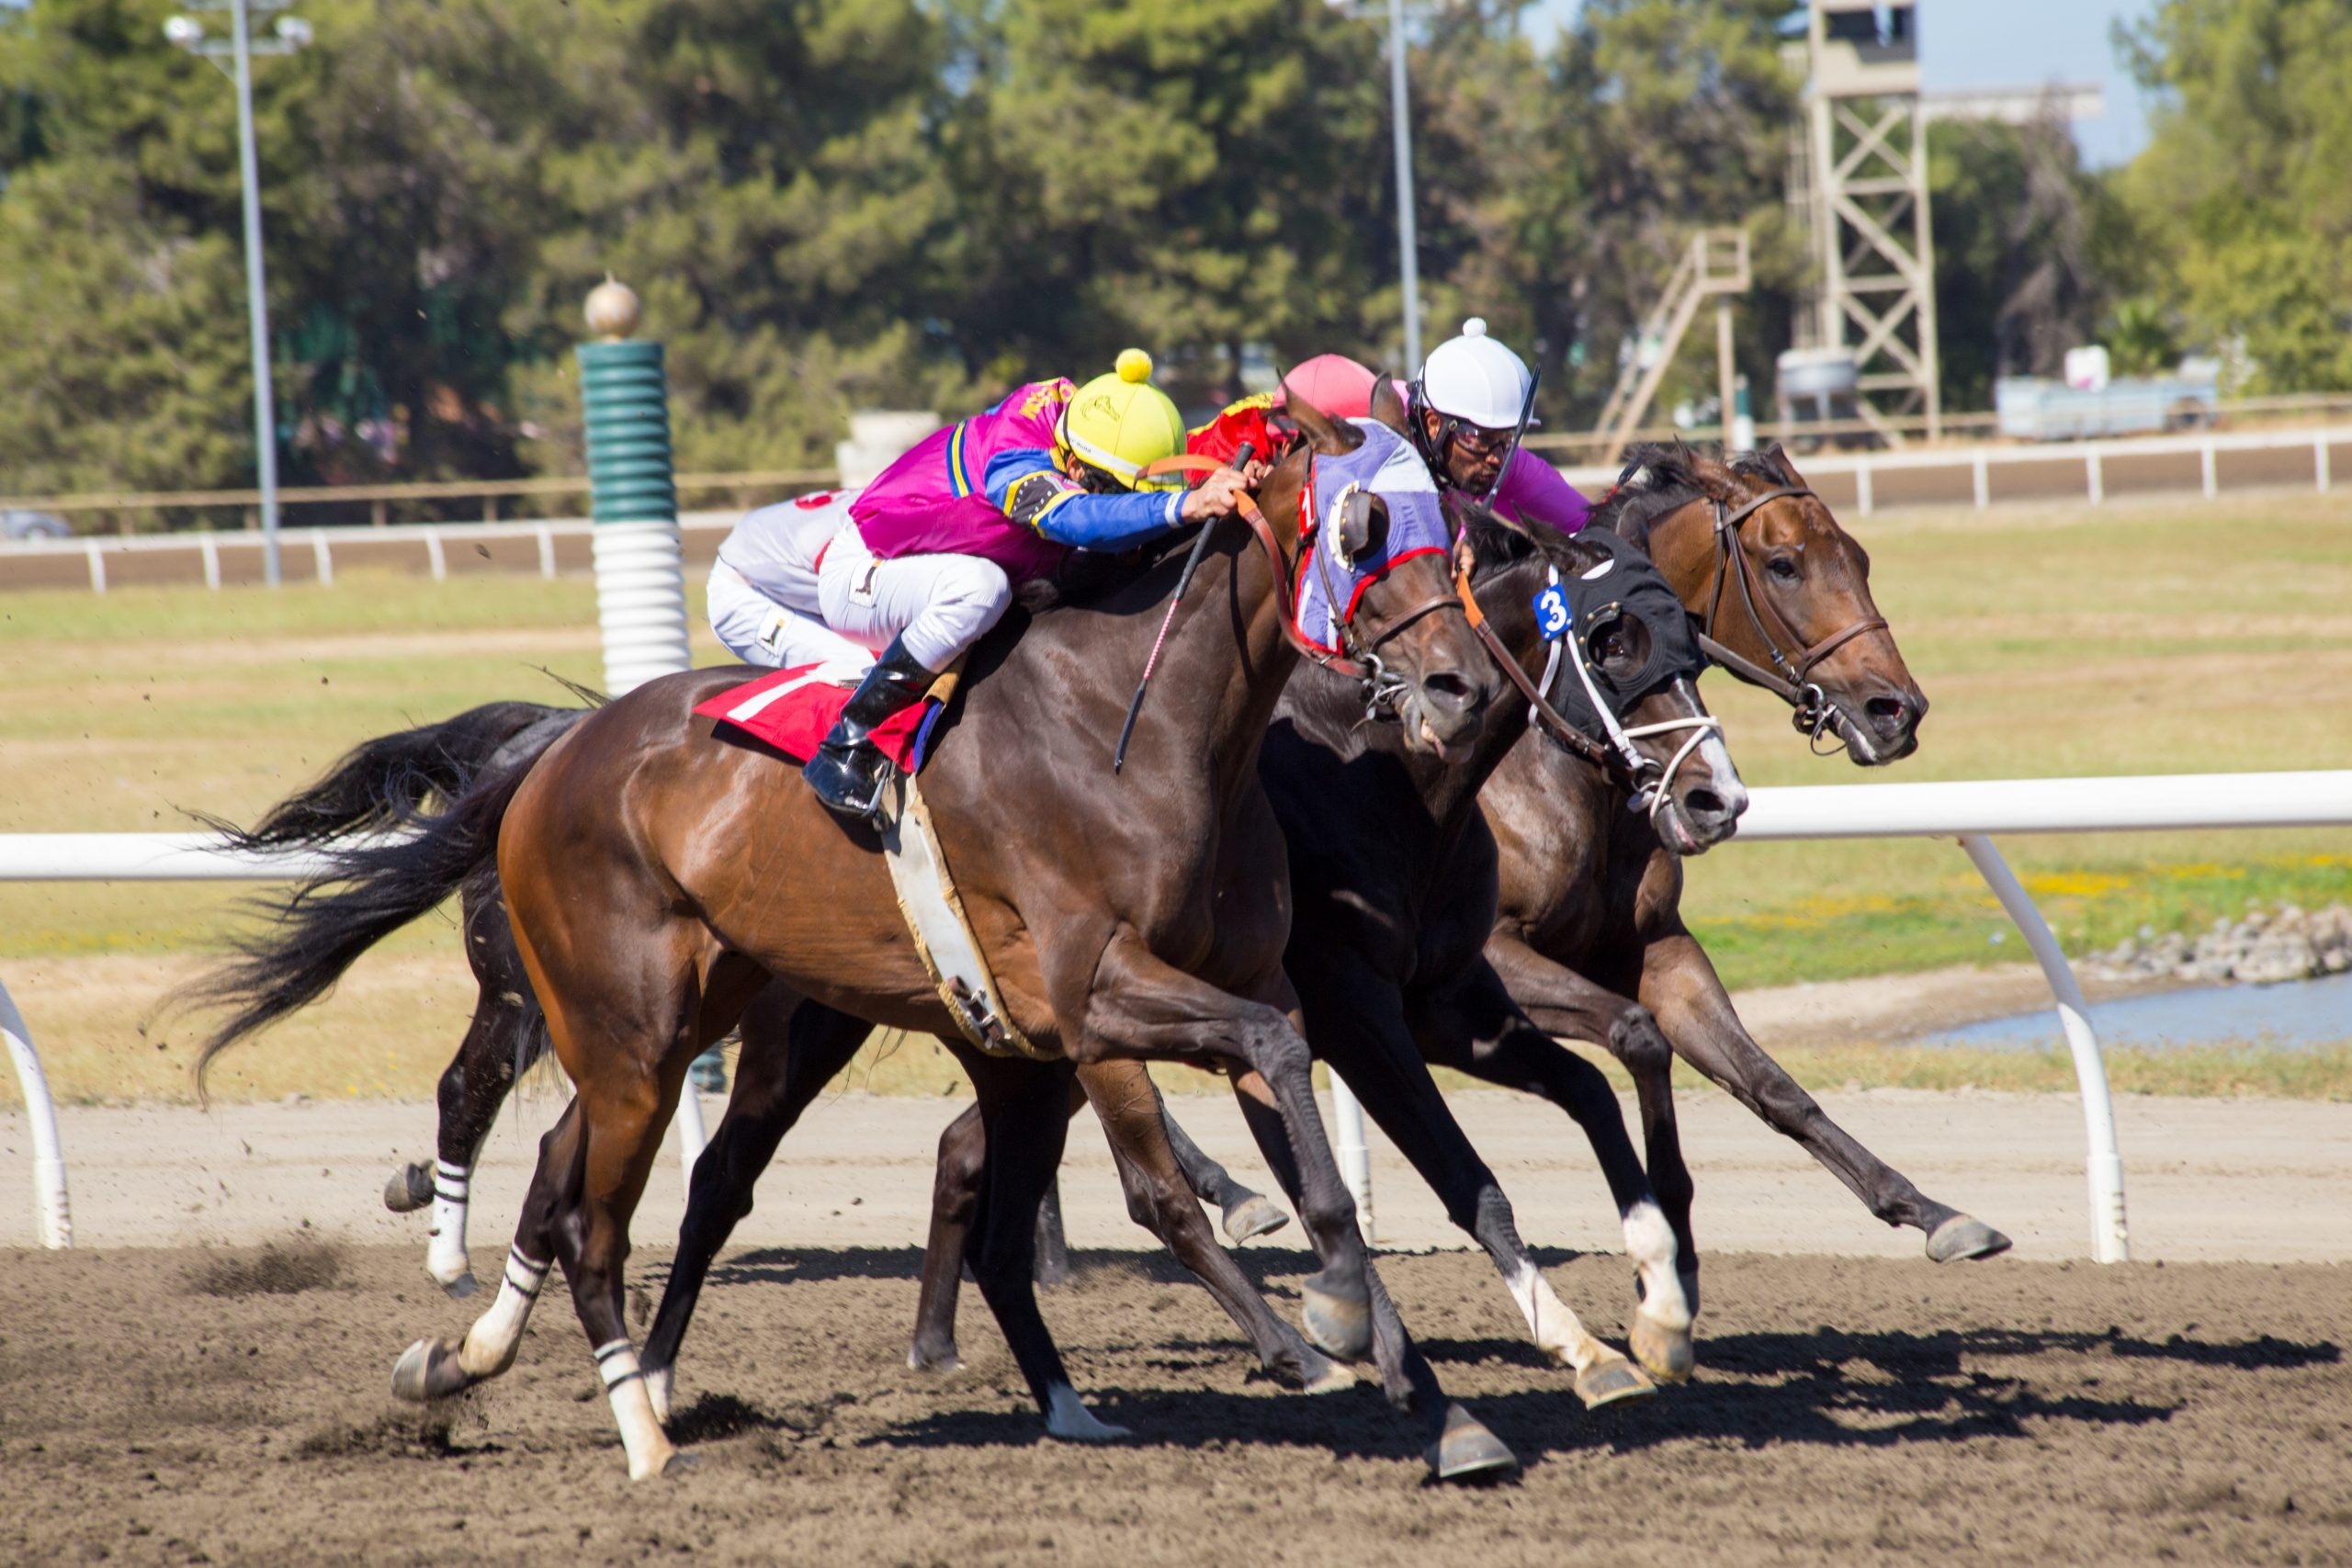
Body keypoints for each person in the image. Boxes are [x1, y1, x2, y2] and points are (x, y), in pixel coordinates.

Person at [798, 349, 1256, 818]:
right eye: (1114, 489)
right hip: (864, 573)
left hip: (932, 565)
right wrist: (1185, 506)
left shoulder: (1087, 425)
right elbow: (1078, 518)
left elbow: (1153, 485)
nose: (1120, 501)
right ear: (1075, 469)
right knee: (983, 588)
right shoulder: (1015, 462)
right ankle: (847, 740)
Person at [1245, 327, 1591, 534]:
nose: (1497, 459)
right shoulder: (1369, 431)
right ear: (1433, 423)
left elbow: (1586, 522)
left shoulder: (1487, 450)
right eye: (1483, 439)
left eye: (1508, 440)